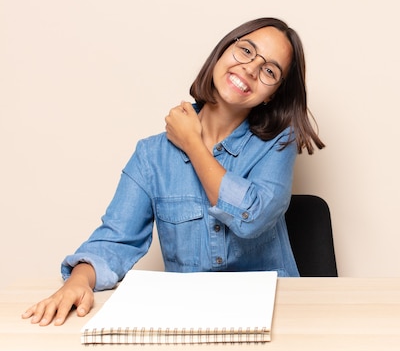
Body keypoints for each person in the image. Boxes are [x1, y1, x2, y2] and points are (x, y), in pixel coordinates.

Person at [22, 17, 324, 326]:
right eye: (246, 51)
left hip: (276, 314)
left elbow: (252, 215)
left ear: (271, 94)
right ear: (222, 52)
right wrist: (79, 281)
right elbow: (115, 240)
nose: (250, 68)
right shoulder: (151, 157)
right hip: (191, 318)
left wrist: (193, 143)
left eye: (269, 70)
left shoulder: (278, 142)